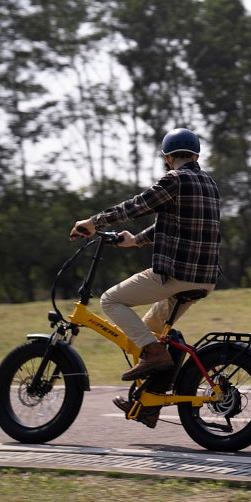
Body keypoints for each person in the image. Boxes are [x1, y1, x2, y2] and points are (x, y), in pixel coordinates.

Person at [70, 127, 221, 386]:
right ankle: (150, 401)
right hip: (205, 279)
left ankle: (155, 353)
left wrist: (93, 222)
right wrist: (135, 240)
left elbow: (137, 205)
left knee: (110, 300)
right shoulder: (210, 184)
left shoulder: (174, 179)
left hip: (176, 276)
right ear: (196, 157)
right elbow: (178, 225)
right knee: (150, 331)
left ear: (167, 158)